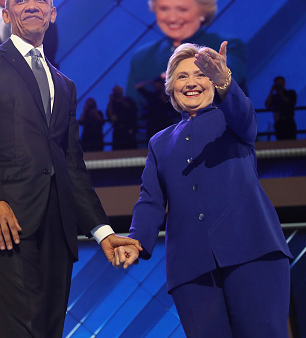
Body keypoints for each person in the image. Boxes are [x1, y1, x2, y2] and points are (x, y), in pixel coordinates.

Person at [0, 0, 141, 338]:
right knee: (22, 328)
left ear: (52, 14)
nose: (31, 5)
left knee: (50, 329)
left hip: (58, 223)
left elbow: (72, 166)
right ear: (7, 15)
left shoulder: (64, 85)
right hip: (6, 219)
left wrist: (102, 232)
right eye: (21, 0)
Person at [119, 42, 293, 337]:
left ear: (213, 81)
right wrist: (136, 240)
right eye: (182, 76)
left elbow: (248, 120)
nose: (191, 83)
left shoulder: (234, 119)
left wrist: (227, 80)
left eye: (200, 74)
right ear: (171, 86)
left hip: (253, 250)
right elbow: (150, 200)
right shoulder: (159, 143)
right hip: (191, 267)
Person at [126, 0, 248, 113]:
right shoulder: (142, 56)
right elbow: (132, 106)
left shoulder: (227, 45)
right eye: (164, 8)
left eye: (182, 9)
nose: (172, 18)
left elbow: (231, 79)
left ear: (203, 12)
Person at [134, 75, 178, 140]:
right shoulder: (151, 96)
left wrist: (165, 101)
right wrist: (151, 82)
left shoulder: (168, 97)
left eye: (159, 84)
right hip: (153, 123)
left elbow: (173, 110)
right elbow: (137, 86)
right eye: (156, 84)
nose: (158, 86)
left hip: (165, 123)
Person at [265, 76, 297, 140]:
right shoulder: (274, 97)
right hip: (278, 124)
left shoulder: (291, 93)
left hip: (289, 122)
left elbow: (290, 102)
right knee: (281, 142)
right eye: (277, 84)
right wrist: (271, 91)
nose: (279, 86)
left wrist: (281, 93)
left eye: (280, 84)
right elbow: (267, 105)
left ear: (284, 84)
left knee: (292, 142)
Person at [106, 85, 137, 150]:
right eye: (115, 92)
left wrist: (121, 100)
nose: (117, 94)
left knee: (130, 148)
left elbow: (132, 110)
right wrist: (111, 101)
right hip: (118, 130)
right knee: (117, 148)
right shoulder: (113, 103)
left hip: (128, 128)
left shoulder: (128, 100)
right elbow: (109, 115)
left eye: (118, 92)